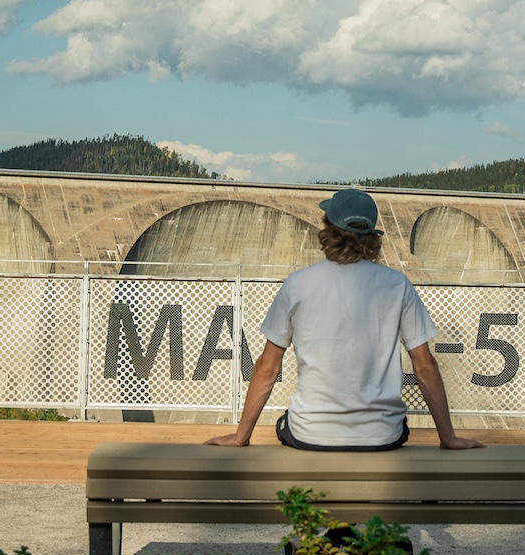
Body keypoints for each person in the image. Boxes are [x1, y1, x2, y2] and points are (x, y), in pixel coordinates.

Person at [206, 188, 483, 451]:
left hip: (310, 434)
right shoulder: (397, 284)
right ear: (372, 236)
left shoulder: (298, 284)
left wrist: (241, 436)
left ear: (328, 229)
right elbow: (425, 366)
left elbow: (268, 366)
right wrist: (448, 438)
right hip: (382, 435)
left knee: (285, 423)